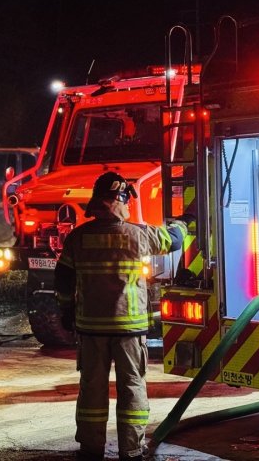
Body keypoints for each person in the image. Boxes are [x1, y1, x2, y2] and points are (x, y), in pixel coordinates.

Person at [55, 172, 190, 461]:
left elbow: (63, 278)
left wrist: (66, 310)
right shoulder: (138, 235)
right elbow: (175, 240)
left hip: (91, 329)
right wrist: (185, 221)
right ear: (120, 200)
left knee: (92, 389)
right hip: (129, 328)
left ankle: (91, 449)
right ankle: (131, 450)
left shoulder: (78, 238)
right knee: (132, 387)